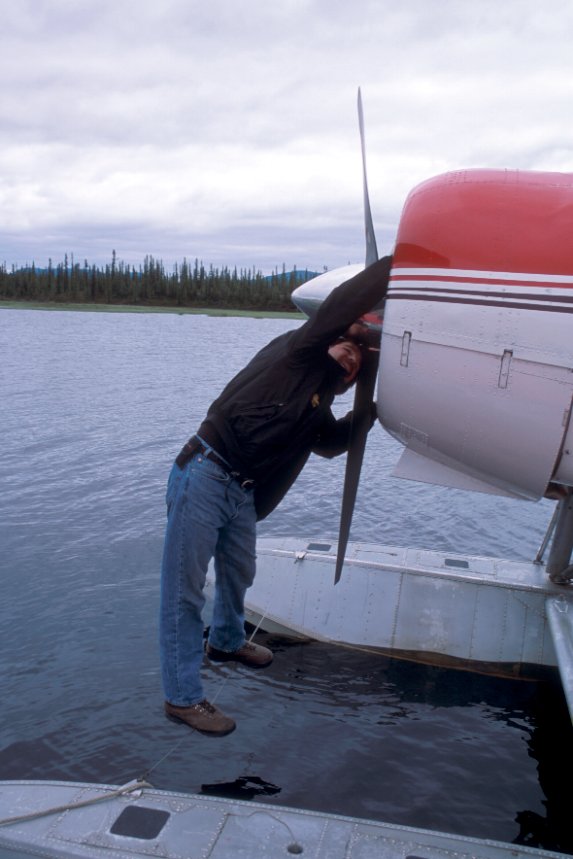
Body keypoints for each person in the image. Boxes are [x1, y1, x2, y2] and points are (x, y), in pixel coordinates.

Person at [159, 256, 392, 736]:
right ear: (329, 339)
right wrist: (393, 266)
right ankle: (182, 698)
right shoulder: (297, 353)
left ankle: (226, 641)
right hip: (204, 473)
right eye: (347, 346)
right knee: (184, 592)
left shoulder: (316, 408)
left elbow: (331, 443)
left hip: (241, 493)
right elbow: (339, 307)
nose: (351, 356)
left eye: (358, 360)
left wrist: (372, 412)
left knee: (240, 572)